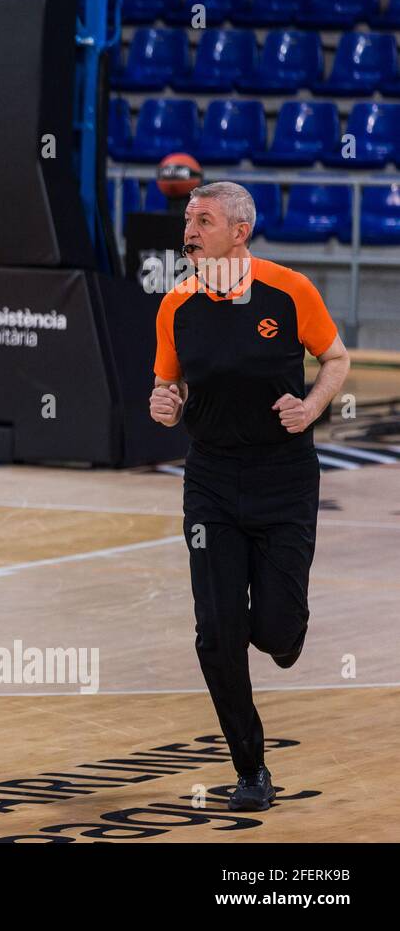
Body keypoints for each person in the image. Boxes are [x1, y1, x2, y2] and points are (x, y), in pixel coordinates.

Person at [151, 181, 351, 813]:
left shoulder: (289, 291)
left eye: (203, 220)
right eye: (188, 219)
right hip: (211, 479)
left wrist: (312, 405)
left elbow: (337, 358)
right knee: (216, 631)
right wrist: (166, 403)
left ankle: (285, 633)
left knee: (276, 631)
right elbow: (170, 387)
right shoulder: (176, 304)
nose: (189, 230)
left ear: (239, 231)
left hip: (284, 478)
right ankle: (251, 769)